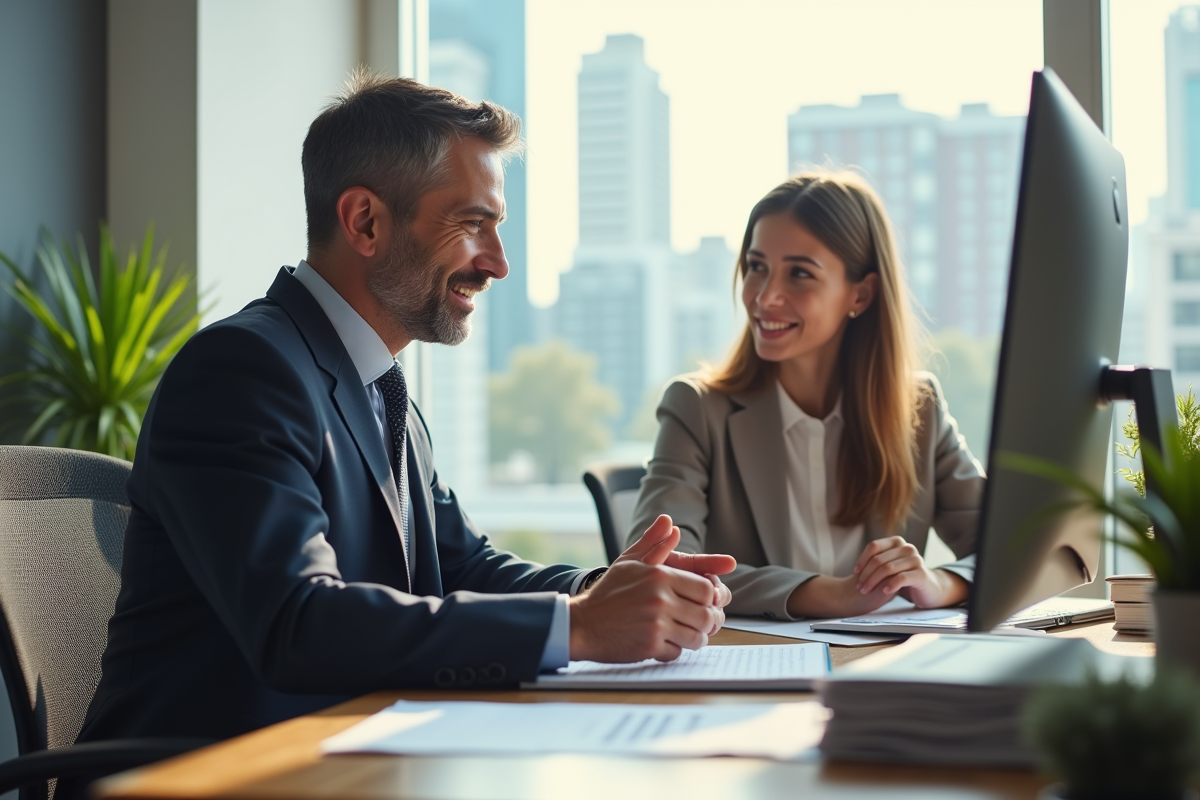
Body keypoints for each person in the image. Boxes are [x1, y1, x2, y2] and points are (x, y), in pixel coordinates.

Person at [73, 73, 736, 753]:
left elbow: (465, 566)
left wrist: (609, 590)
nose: (499, 264)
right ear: (365, 221)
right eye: (473, 225)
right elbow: (297, 621)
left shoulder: (380, 387)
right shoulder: (242, 373)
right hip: (207, 773)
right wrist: (582, 626)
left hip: (349, 758)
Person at [627, 171, 984, 621]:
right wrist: (828, 595)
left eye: (799, 273)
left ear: (861, 293)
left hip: (880, 666)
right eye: (757, 267)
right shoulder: (697, 408)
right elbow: (658, 566)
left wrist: (936, 583)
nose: (765, 296)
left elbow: (1014, 548)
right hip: (749, 671)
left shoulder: (919, 408)